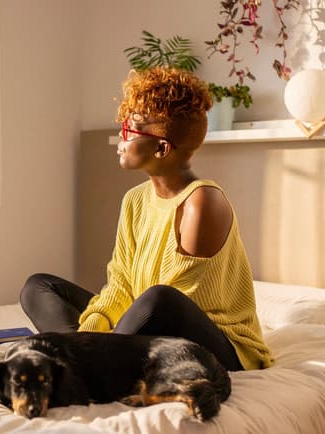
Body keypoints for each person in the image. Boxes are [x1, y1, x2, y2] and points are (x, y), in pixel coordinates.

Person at [20, 67, 272, 371]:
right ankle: (81, 359)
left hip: (217, 346)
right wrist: (92, 329)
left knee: (158, 299)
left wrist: (106, 336)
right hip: (145, 325)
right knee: (39, 287)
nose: (120, 139)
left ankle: (77, 361)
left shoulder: (201, 202)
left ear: (162, 147)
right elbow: (121, 284)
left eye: (130, 131)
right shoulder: (134, 200)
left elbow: (175, 306)